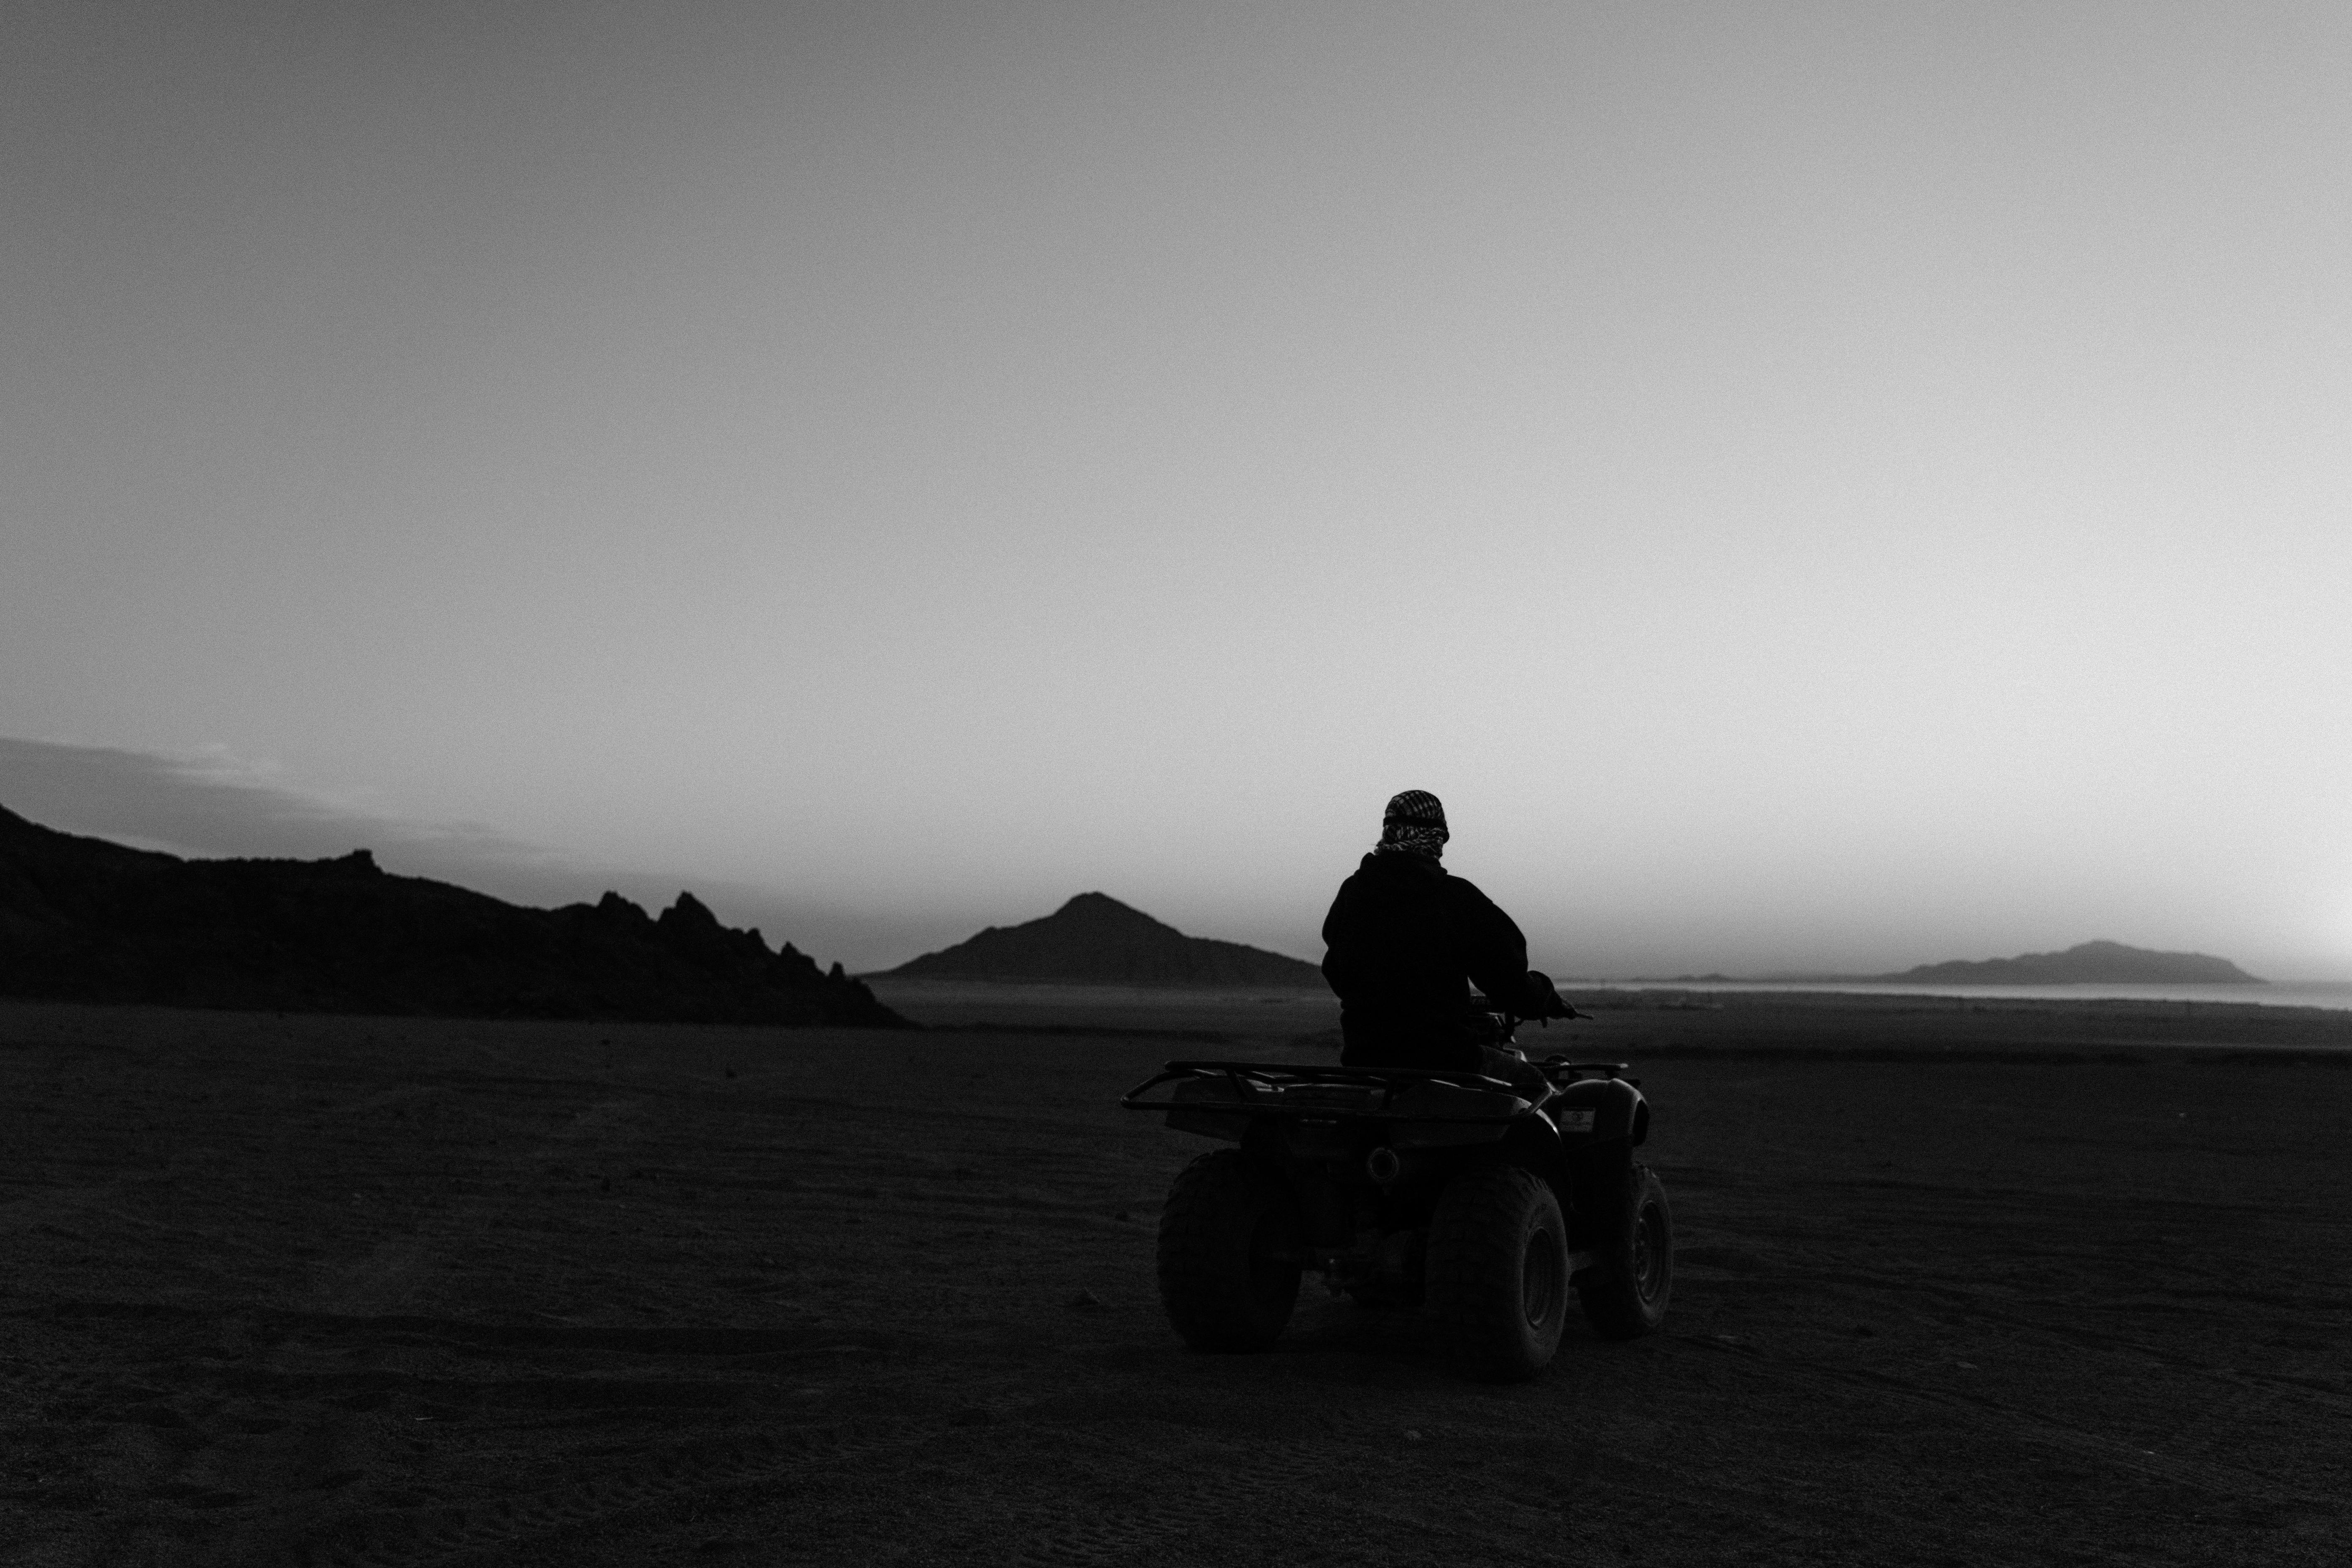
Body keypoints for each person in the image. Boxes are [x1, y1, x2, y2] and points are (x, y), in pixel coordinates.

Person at [1319, 790, 1567, 1095]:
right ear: (1436, 836)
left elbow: (1335, 970)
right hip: (1446, 1062)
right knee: (1540, 1091)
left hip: (1365, 1062)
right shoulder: (1452, 898)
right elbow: (1507, 977)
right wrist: (1544, 998)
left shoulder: (1353, 893)